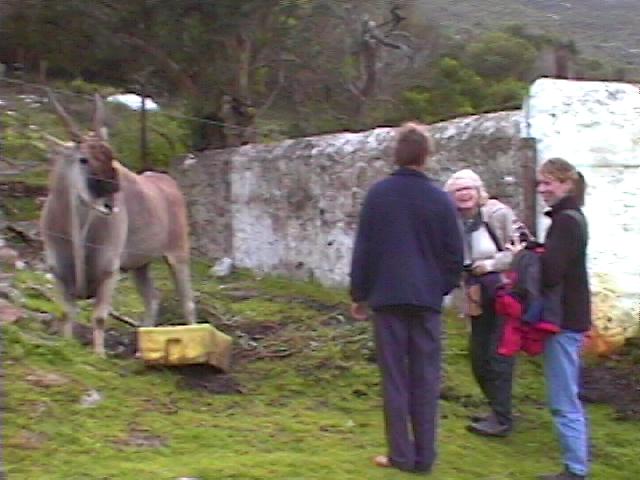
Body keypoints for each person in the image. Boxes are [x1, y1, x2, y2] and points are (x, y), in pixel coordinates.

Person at [349, 122, 463, 474]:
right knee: (426, 378)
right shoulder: (440, 199)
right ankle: (425, 457)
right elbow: (454, 255)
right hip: (426, 300)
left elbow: (364, 249)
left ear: (396, 154)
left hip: (387, 298)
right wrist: (439, 288)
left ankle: (400, 454)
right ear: (426, 156)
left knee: (395, 379)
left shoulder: (378, 195)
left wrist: (360, 294)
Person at [443, 169, 515, 437]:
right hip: (474, 293)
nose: (463, 195)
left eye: (468, 188)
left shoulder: (498, 214)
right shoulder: (452, 221)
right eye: (457, 191)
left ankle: (502, 418)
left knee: (498, 354)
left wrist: (491, 265)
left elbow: (523, 249)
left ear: (478, 190)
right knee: (478, 354)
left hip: (503, 291)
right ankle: (496, 408)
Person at [535, 158, 591, 480]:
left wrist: (527, 257)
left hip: (565, 318)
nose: (542, 189)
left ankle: (575, 469)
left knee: (564, 397)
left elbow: (552, 272)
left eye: (548, 183)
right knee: (565, 392)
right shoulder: (572, 218)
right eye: (540, 183)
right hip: (572, 315)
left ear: (567, 184)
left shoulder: (565, 222)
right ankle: (574, 467)